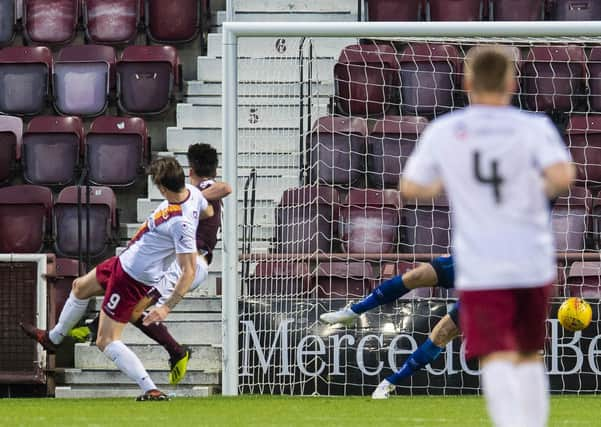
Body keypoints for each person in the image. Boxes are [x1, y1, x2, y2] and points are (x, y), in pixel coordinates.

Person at [399, 46, 574, 427]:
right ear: (512, 83)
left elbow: (410, 187)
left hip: (481, 263)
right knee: (529, 351)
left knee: (494, 352)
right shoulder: (534, 127)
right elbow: (563, 177)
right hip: (531, 259)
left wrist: (449, 181)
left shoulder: (445, 130)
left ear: (466, 83)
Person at [21, 157, 214, 401]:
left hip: (132, 278)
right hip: (124, 262)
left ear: (163, 188)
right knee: (79, 287)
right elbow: (208, 211)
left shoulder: (181, 224)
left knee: (105, 340)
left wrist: (166, 307)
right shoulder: (194, 195)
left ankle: (150, 389)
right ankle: (54, 338)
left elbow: (188, 271)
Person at [70, 144, 230, 386]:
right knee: (132, 302)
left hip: (191, 263)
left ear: (190, 169)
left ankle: (175, 351)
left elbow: (225, 187)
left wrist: (189, 200)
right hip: (187, 261)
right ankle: (98, 326)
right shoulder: (194, 196)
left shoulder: (199, 191)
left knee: (135, 309)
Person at [320, 256, 460, 399]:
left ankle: (390, 382)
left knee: (443, 333)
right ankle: (353, 312)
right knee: (415, 276)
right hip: (470, 261)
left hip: (483, 285)